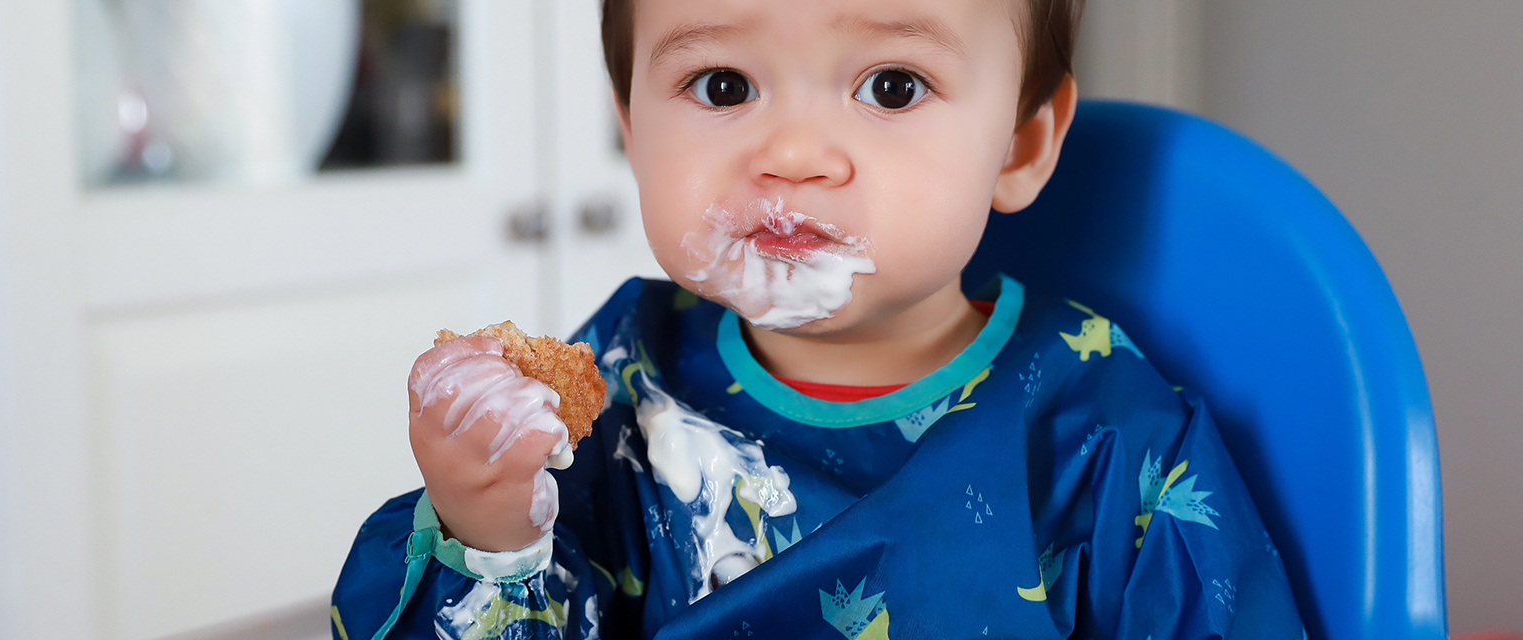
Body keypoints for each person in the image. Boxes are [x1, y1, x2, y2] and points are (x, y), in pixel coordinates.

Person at [333, 0, 1307, 637]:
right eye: (722, 86)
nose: (793, 153)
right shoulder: (621, 384)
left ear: (1019, 143)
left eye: (891, 86)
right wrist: (491, 529)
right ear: (632, 128)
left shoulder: (1108, 437)